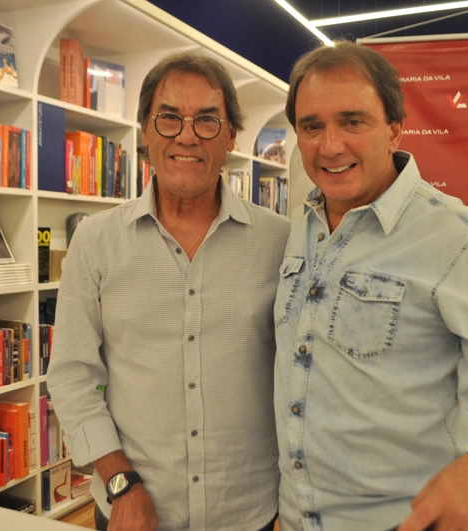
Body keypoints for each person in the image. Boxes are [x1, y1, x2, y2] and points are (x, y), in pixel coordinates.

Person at [274, 40, 468, 531]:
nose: (330, 145)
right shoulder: (297, 230)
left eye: (353, 121)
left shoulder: (459, 238)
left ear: (394, 129)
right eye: (312, 126)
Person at [47, 51, 290, 531]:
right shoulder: (96, 241)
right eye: (169, 118)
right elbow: (73, 377)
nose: (186, 134)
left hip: (248, 513)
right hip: (130, 511)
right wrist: (120, 482)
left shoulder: (282, 243)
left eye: (206, 120)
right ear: (144, 131)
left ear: (231, 137)